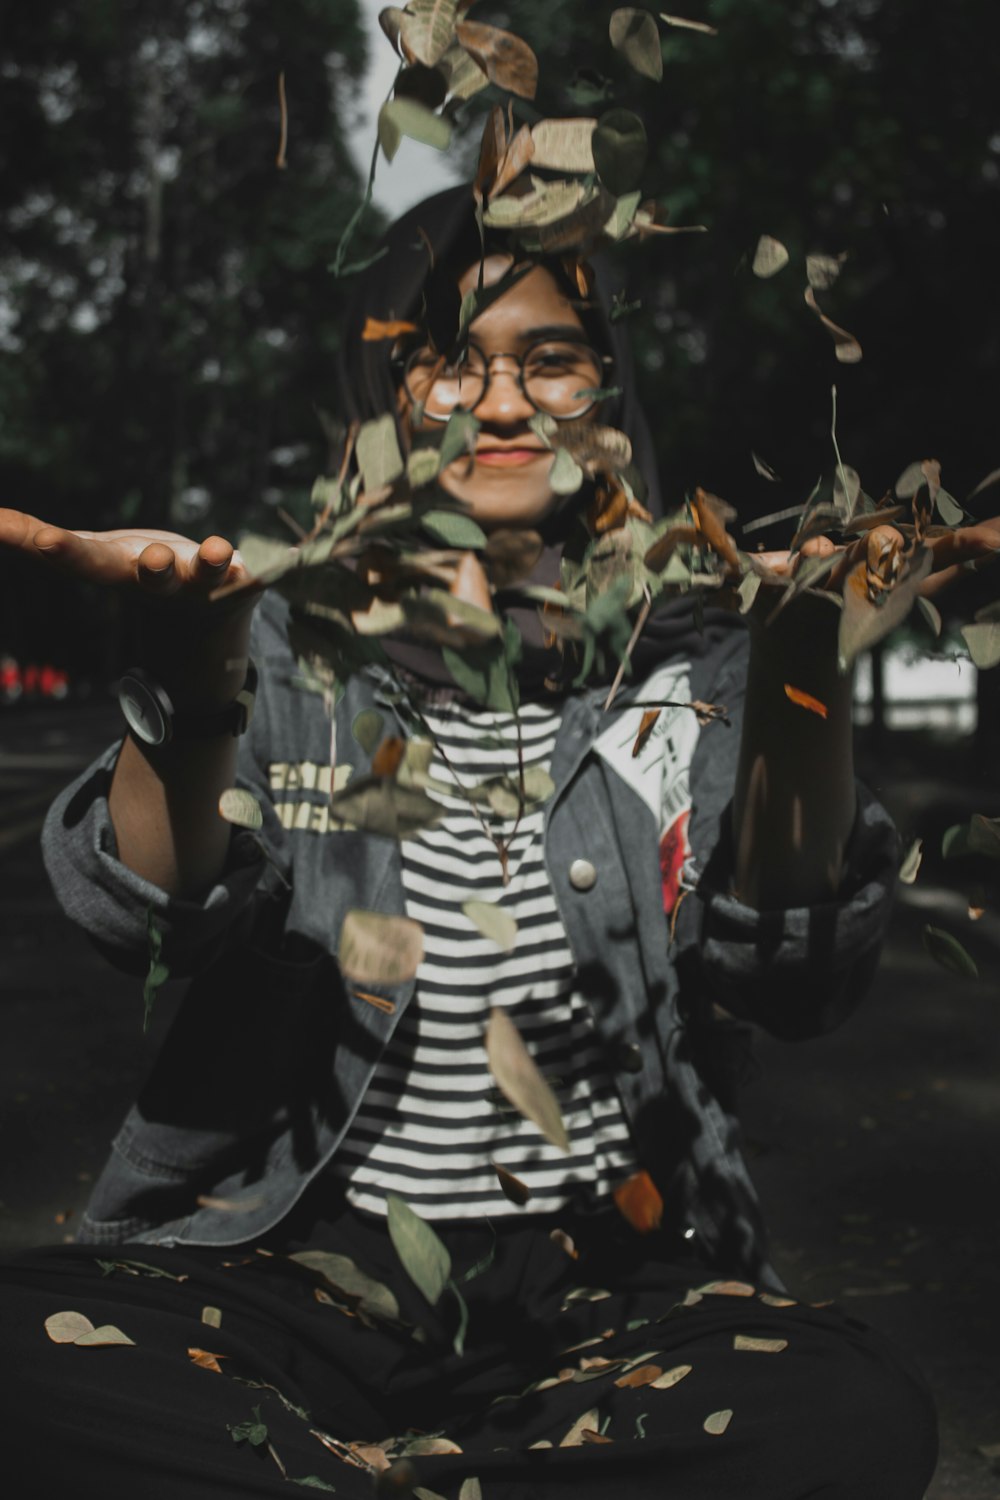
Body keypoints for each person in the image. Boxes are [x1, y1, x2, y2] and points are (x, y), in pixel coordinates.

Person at [0, 187, 956, 1498]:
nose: (500, 403)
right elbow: (144, 920)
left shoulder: (693, 668)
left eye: (548, 358)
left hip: (613, 1285)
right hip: (289, 1265)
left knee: (847, 1420)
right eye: (446, 357)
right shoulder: (283, 646)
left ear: (605, 397)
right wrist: (196, 677)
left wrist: (805, 668)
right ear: (388, 400)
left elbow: (793, 976)